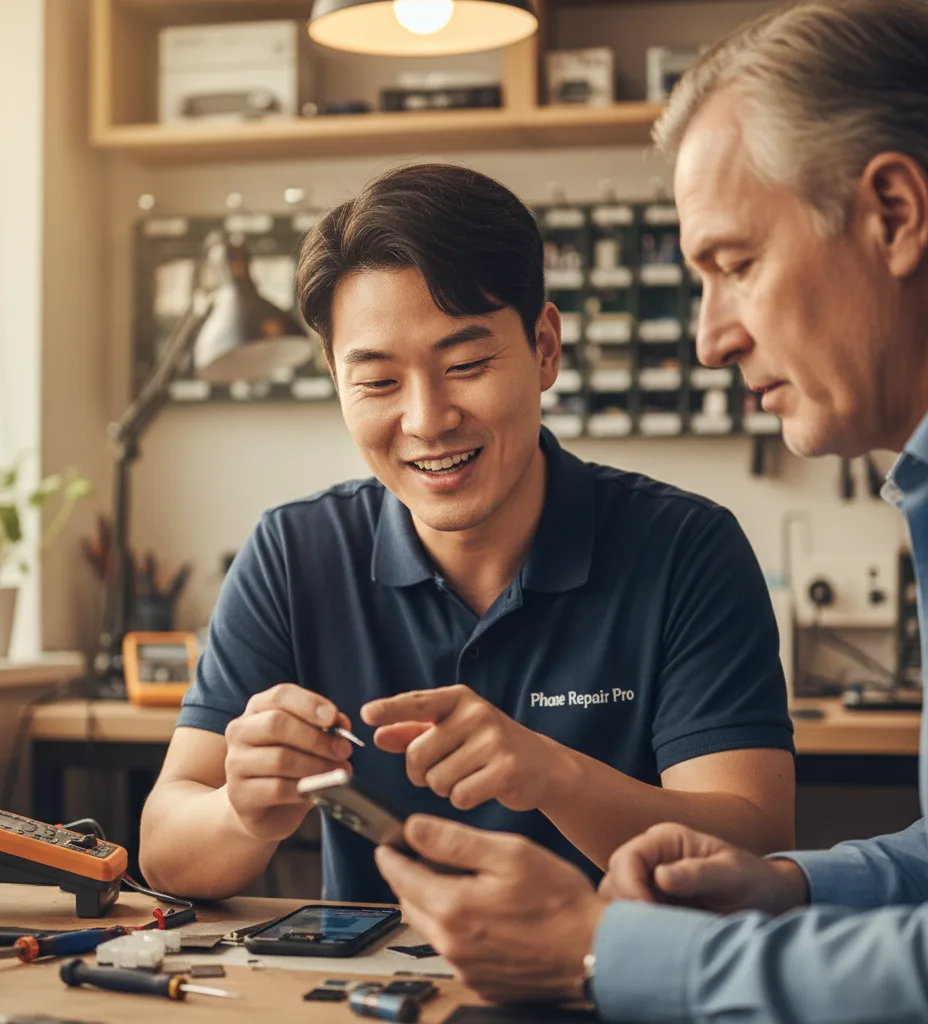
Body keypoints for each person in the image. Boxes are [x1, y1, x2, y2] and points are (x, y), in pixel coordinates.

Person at [374, 1, 928, 1019]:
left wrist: (602, 953)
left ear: (892, 214)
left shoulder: (680, 541)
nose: (710, 339)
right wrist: (790, 888)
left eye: (735, 264)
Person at [138, 163, 794, 906]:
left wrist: (551, 775)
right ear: (334, 378)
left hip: (613, 980)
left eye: (468, 364)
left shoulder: (685, 548)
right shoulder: (296, 552)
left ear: (546, 347)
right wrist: (239, 811)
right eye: (379, 382)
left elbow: (757, 850)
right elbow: (164, 850)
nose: (427, 419)